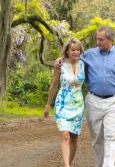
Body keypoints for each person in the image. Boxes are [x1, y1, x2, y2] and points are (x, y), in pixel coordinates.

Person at [56, 26, 115, 167]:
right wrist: (60, 59)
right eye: (97, 39)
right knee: (97, 140)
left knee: (110, 136)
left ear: (110, 39)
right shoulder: (89, 54)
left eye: (101, 39)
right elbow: (73, 57)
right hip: (93, 101)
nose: (98, 42)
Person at [45, 38, 86, 167]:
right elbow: (53, 85)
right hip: (62, 104)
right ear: (67, 51)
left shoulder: (84, 63)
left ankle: (69, 163)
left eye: (78, 49)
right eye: (73, 49)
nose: (76, 52)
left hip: (78, 105)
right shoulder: (60, 64)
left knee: (74, 138)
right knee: (64, 135)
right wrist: (47, 105)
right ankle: (66, 166)